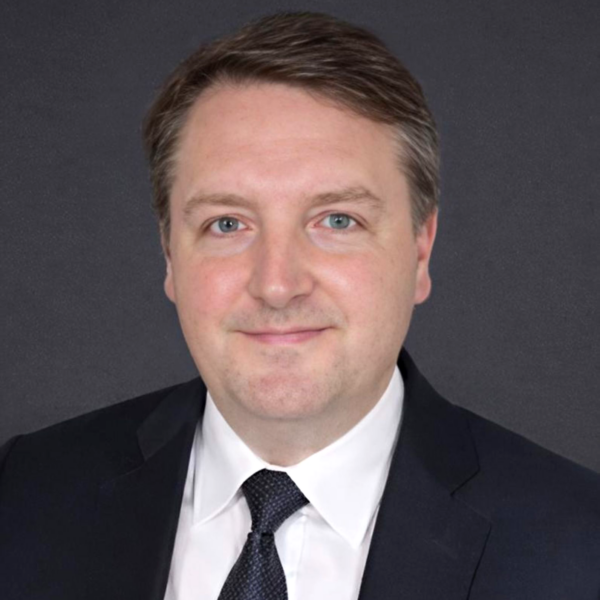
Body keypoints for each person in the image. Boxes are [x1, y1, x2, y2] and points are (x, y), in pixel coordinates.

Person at [1, 11, 599, 600]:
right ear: (169, 255)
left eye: (337, 220)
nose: (277, 285)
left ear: (420, 250)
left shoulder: (581, 546)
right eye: (227, 223)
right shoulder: (22, 496)